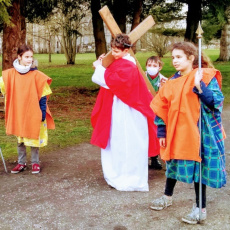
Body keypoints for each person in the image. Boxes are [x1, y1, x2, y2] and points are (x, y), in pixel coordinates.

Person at [149, 42, 226, 224]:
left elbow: (215, 102)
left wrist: (200, 86)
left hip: (200, 131)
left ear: (191, 58)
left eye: (179, 57)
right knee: (172, 163)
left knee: (200, 169)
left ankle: (200, 209)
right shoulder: (171, 82)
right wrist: (162, 132)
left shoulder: (205, 76)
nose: (174, 61)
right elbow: (163, 108)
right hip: (177, 131)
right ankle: (167, 198)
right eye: (173, 57)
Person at [91, 33, 160, 191]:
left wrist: (99, 68)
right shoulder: (120, 62)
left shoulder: (128, 65)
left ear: (126, 50)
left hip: (130, 110)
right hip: (119, 108)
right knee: (117, 141)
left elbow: (114, 82)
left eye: (117, 51)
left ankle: (131, 178)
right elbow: (111, 78)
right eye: (113, 50)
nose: (113, 54)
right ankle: (117, 174)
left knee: (130, 142)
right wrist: (102, 65)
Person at [0, 44, 55, 174]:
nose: (30, 59)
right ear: (19, 57)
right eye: (26, 57)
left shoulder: (37, 75)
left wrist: (42, 112)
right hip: (18, 111)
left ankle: (35, 162)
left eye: (31, 56)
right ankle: (21, 163)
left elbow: (42, 95)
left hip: (33, 111)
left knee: (34, 137)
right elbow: (3, 88)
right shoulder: (9, 75)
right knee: (21, 139)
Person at [145, 56, 167, 170]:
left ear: (160, 67)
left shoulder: (164, 80)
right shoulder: (141, 76)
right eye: (149, 65)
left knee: (155, 133)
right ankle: (141, 157)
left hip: (155, 110)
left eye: (154, 66)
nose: (151, 68)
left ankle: (154, 158)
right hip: (143, 108)